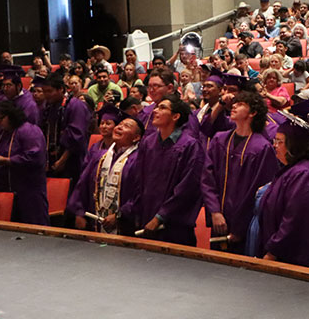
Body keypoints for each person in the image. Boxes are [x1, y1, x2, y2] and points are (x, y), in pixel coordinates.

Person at [201, 89, 278, 253]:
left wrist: (239, 227)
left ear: (253, 113)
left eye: (241, 104)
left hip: (245, 227)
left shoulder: (262, 148)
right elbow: (207, 179)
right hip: (218, 222)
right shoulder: (219, 140)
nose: (234, 106)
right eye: (234, 103)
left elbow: (259, 192)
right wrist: (214, 212)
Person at [257, 115, 309, 269]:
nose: (275, 146)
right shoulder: (290, 171)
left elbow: (294, 219)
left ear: (294, 145)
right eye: (275, 141)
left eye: (279, 142)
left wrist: (272, 251)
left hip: (296, 260)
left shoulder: (304, 175)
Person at [123, 94, 203, 245]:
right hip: (147, 220)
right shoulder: (148, 143)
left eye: (162, 108)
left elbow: (187, 188)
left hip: (175, 226)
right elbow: (139, 181)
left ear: (176, 116)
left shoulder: (190, 146)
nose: (155, 111)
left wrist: (160, 216)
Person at [68, 114, 142, 232]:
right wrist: (79, 212)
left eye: (126, 126)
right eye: (119, 124)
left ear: (136, 137)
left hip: (124, 225)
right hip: (95, 220)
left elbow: (140, 194)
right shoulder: (99, 156)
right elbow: (83, 183)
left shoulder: (139, 160)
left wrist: (119, 215)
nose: (119, 127)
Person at [0, 99, 49, 225]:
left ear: (11, 116)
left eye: (0, 119)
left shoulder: (29, 131)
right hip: (6, 191)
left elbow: (35, 157)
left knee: (32, 227)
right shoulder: (1, 133)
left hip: (28, 191)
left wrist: (8, 161)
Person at [40, 74, 91, 184]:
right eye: (44, 91)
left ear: (61, 90)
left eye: (49, 91)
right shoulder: (50, 107)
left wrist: (62, 160)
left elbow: (76, 137)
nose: (46, 95)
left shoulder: (76, 106)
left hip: (71, 161)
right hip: (52, 159)